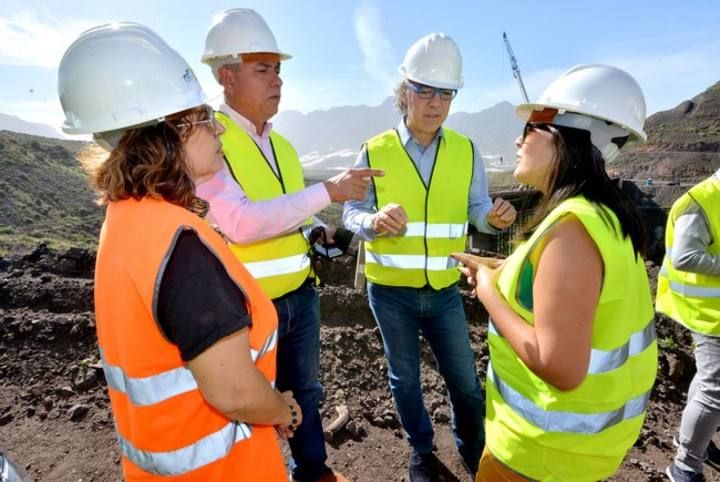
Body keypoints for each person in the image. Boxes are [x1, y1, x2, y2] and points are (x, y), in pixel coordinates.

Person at [58, 22, 300, 481]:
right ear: (169, 134)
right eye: (206, 118)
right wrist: (281, 410)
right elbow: (233, 392)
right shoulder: (180, 246)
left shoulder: (128, 218)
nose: (219, 132)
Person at [199, 9, 378, 482]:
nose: (277, 80)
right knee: (247, 404)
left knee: (305, 391)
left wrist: (316, 227)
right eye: (264, 69)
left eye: (279, 70)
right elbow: (239, 222)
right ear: (227, 76)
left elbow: (287, 209)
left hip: (299, 294)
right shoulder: (208, 141)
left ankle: (313, 470)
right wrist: (330, 192)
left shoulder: (285, 148)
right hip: (246, 309)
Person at [455, 64, 658, 481]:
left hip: (536, 457)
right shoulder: (600, 216)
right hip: (574, 456)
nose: (518, 138)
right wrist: (504, 270)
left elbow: (560, 368)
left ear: (569, 137)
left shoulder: (572, 230)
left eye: (532, 127)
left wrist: (491, 293)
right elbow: (570, 297)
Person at [343, 33, 517, 481]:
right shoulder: (375, 148)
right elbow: (350, 210)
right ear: (406, 92)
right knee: (405, 381)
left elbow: (475, 210)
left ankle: (475, 453)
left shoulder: (466, 150)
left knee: (465, 384)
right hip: (390, 293)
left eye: (445, 93)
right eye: (425, 90)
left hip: (444, 289)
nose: (435, 102)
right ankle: (422, 451)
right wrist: (373, 220)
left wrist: (493, 219)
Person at [657, 168, 720, 482]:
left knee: (710, 380)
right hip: (707, 312)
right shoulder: (700, 201)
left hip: (714, 308)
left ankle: (695, 441)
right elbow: (685, 256)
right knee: (716, 389)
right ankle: (685, 467)